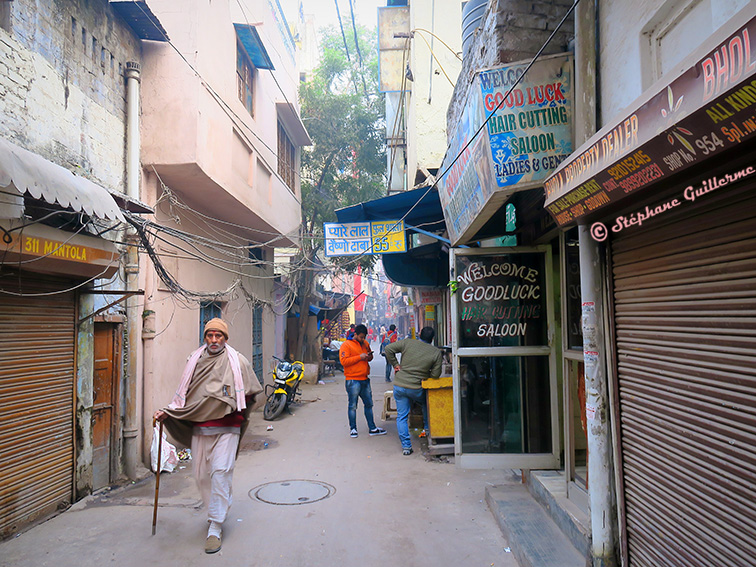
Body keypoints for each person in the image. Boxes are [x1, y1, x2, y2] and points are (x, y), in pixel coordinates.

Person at [153, 318, 263, 554]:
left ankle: (215, 524)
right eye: (210, 335)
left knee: (221, 472)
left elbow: (252, 393)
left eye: (219, 336)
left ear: (225, 338)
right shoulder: (194, 361)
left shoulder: (238, 362)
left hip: (228, 427)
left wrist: (235, 407)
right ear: (205, 337)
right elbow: (184, 396)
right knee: (202, 476)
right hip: (201, 427)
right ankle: (216, 508)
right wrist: (169, 412)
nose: (214, 340)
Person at [384, 326, 443, 455]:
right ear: (433, 339)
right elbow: (435, 375)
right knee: (427, 404)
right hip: (416, 388)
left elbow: (388, 349)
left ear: (419, 334)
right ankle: (427, 431)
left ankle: (406, 447)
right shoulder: (435, 352)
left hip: (399, 386)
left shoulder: (408, 342)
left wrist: (395, 365)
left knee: (402, 416)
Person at [339, 324, 387, 438]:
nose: (363, 339)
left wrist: (368, 356)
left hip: (365, 379)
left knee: (369, 404)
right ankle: (353, 429)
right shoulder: (346, 345)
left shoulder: (365, 343)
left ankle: (372, 428)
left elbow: (369, 357)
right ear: (355, 334)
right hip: (352, 380)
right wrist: (359, 357)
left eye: (364, 337)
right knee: (353, 406)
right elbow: (343, 361)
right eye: (361, 337)